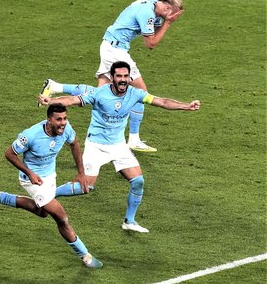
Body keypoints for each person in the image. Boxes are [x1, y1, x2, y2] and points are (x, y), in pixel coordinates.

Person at [39, 61, 200, 233]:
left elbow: (162, 102)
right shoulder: (99, 93)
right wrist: (52, 101)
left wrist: (186, 105)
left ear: (130, 77)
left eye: (125, 76)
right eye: (119, 76)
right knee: (85, 187)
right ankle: (47, 195)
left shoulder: (136, 93)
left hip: (118, 146)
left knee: (138, 181)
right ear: (112, 78)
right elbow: (72, 100)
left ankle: (129, 221)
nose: (123, 80)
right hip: (97, 146)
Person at [42, 0, 184, 152]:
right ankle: (134, 139)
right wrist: (167, 23)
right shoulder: (147, 13)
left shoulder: (154, 1)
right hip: (116, 51)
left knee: (99, 93)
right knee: (141, 93)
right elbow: (151, 44)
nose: (169, 18)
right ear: (166, 8)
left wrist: (165, 12)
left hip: (111, 45)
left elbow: (158, 11)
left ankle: (55, 87)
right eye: (171, 15)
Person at [0, 103, 103, 269]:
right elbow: (9, 153)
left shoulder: (66, 129)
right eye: (58, 119)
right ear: (49, 120)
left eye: (65, 118)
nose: (63, 122)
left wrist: (81, 173)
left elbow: (74, 144)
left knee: (42, 212)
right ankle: (85, 255)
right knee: (61, 217)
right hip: (32, 180)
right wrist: (30, 173)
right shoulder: (31, 135)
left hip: (50, 176)